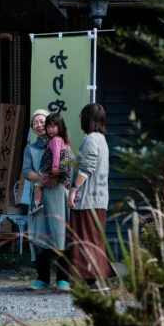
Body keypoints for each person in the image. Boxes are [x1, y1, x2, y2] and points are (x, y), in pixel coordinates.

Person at [26, 112, 76, 291]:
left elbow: (69, 167)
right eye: (36, 123)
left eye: (42, 121)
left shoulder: (60, 143)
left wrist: (59, 178)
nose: (40, 125)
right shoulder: (30, 149)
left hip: (59, 195)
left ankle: (63, 278)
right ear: (32, 128)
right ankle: (43, 277)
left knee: (61, 232)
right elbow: (27, 172)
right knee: (41, 234)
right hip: (41, 195)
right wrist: (42, 179)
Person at [67, 103, 114, 290]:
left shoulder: (91, 140)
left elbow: (87, 168)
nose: (80, 120)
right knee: (94, 239)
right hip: (100, 199)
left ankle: (94, 280)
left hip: (88, 200)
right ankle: (96, 279)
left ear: (88, 119)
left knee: (86, 239)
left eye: (82, 117)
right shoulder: (101, 139)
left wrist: (73, 189)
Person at [29, 113, 71, 216]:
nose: (50, 130)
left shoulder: (55, 140)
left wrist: (55, 166)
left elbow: (56, 154)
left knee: (37, 185)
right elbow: (26, 171)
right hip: (58, 177)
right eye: (48, 127)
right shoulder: (30, 148)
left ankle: (36, 203)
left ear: (59, 127)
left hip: (52, 173)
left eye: (53, 127)